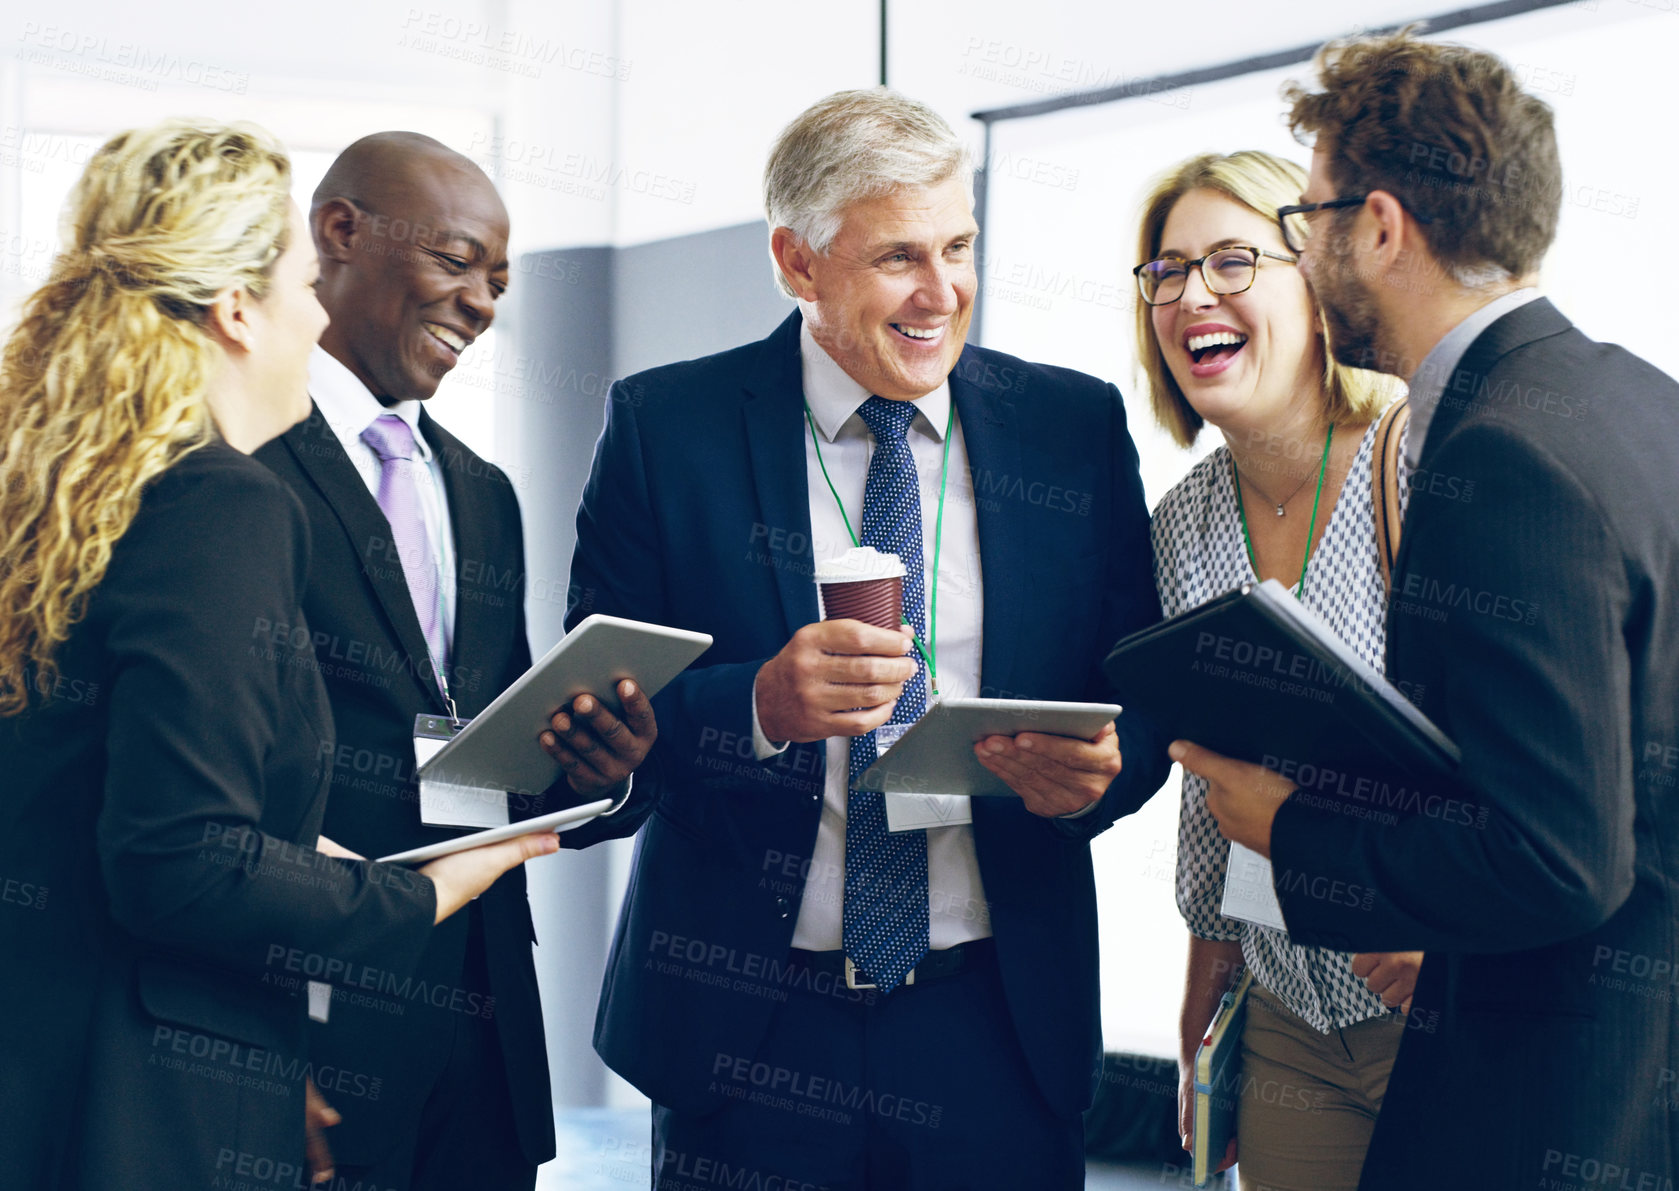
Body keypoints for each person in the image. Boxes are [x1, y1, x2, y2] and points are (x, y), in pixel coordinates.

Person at [568, 87, 1170, 1190]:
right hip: (746, 1034)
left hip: (997, 1026)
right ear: (797, 263)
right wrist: (756, 707)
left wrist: (1097, 777)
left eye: (959, 246)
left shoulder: (1070, 429)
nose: (943, 293)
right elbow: (592, 733)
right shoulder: (667, 430)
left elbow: (1136, 694)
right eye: (899, 256)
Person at [0, 120, 556, 1191]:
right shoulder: (220, 501)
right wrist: (433, 889)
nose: (317, 316)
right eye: (306, 283)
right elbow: (181, 864)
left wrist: (312, 856)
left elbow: (94, 810)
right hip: (150, 1099)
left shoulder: (69, 499)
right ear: (237, 308)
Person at [1177, 29, 1679, 1189]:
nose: (1301, 260)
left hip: (1537, 1102)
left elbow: (1552, 858)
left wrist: (1288, 830)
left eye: (1306, 225)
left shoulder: (1499, 459)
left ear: (1382, 227)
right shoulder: (1636, 402)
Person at [254, 131, 657, 1191]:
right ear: (339, 233)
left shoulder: (483, 491)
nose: (481, 302)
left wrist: (593, 769)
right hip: (309, 1007)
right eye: (456, 260)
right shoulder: (234, 462)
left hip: (483, 1027)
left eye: (499, 281)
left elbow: (493, 748)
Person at [1137, 149, 1422, 1191]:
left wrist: (1457, 945)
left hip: (1434, 997)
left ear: (1314, 282)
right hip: (1287, 1013)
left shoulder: (1418, 462)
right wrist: (1205, 1002)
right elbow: (1204, 781)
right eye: (1165, 272)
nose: (1190, 294)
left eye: (1228, 261)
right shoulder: (1182, 523)